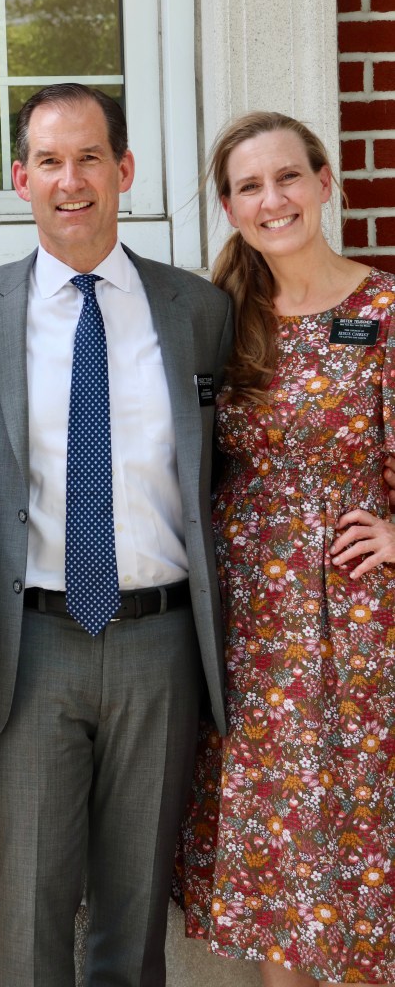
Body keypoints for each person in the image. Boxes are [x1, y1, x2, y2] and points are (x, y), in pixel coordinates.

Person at [0, 82, 232, 987]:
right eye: (49, 162)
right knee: (30, 898)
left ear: (124, 169)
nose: (70, 181)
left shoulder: (197, 311)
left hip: (161, 642)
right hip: (32, 644)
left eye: (90, 158)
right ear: (21, 178)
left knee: (135, 904)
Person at [176, 110, 395, 987]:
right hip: (248, 630)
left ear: (324, 183)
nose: (272, 199)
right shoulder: (220, 318)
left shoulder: (383, 310)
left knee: (357, 841)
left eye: (287, 177)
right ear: (229, 207)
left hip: (357, 626)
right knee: (279, 860)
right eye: (249, 186)